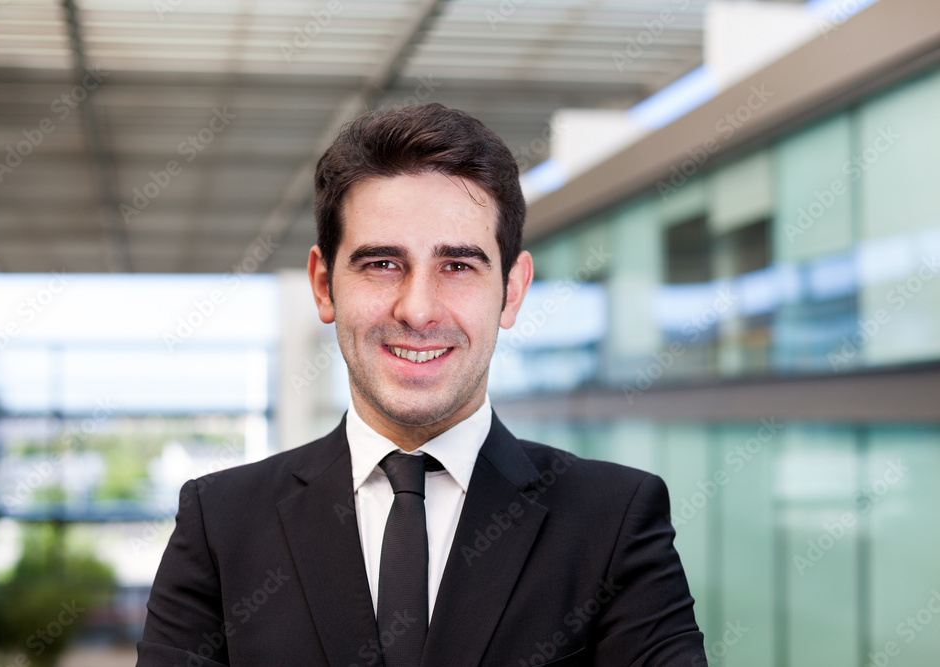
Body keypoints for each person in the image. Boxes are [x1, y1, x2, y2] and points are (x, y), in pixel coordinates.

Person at [137, 103, 706, 667]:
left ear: (511, 291)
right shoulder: (220, 523)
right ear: (323, 285)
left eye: (458, 266)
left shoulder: (614, 520)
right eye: (382, 263)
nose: (418, 309)